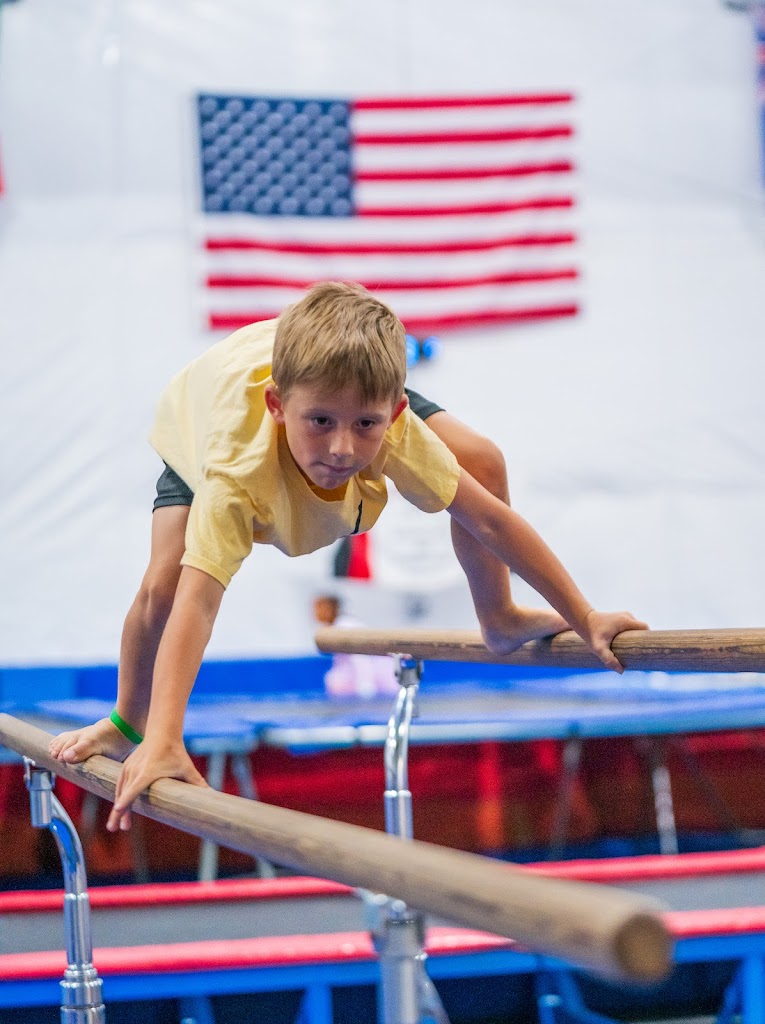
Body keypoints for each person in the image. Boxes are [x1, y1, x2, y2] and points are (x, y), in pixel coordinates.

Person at [49, 281, 647, 831]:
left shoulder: (378, 429)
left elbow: (488, 516)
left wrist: (584, 613)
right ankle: (126, 722)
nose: (341, 448)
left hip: (322, 374)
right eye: (322, 425)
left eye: (367, 425)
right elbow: (198, 604)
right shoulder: (236, 468)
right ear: (278, 406)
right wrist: (164, 736)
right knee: (163, 582)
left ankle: (501, 617)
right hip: (207, 411)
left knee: (481, 462)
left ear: (396, 412)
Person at [313, 594, 399, 698]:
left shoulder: (345, 626)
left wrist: (365, 684)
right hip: (362, 675)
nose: (315, 613)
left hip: (376, 675)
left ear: (330, 608)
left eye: (319, 608)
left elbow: (360, 657)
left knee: (334, 680)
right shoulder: (336, 626)